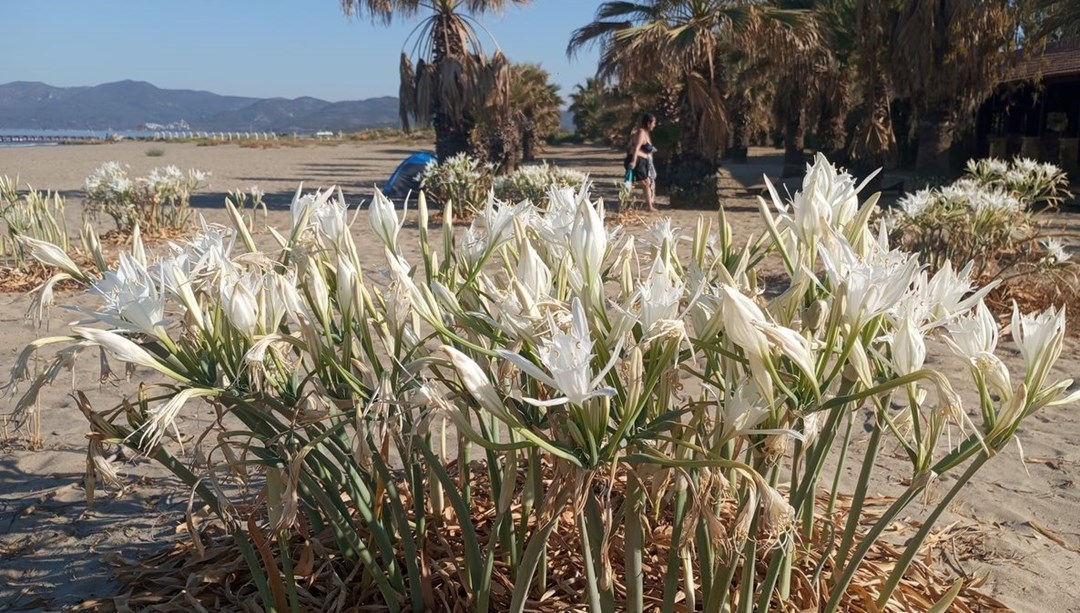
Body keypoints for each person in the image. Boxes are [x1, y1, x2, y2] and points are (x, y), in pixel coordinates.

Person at [625, 113, 658, 211]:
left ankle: (648, 206)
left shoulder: (645, 133)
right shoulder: (641, 133)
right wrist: (634, 162)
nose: (654, 125)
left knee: (646, 183)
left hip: (643, 161)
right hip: (637, 161)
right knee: (644, 184)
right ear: (649, 123)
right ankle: (649, 207)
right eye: (654, 123)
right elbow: (636, 147)